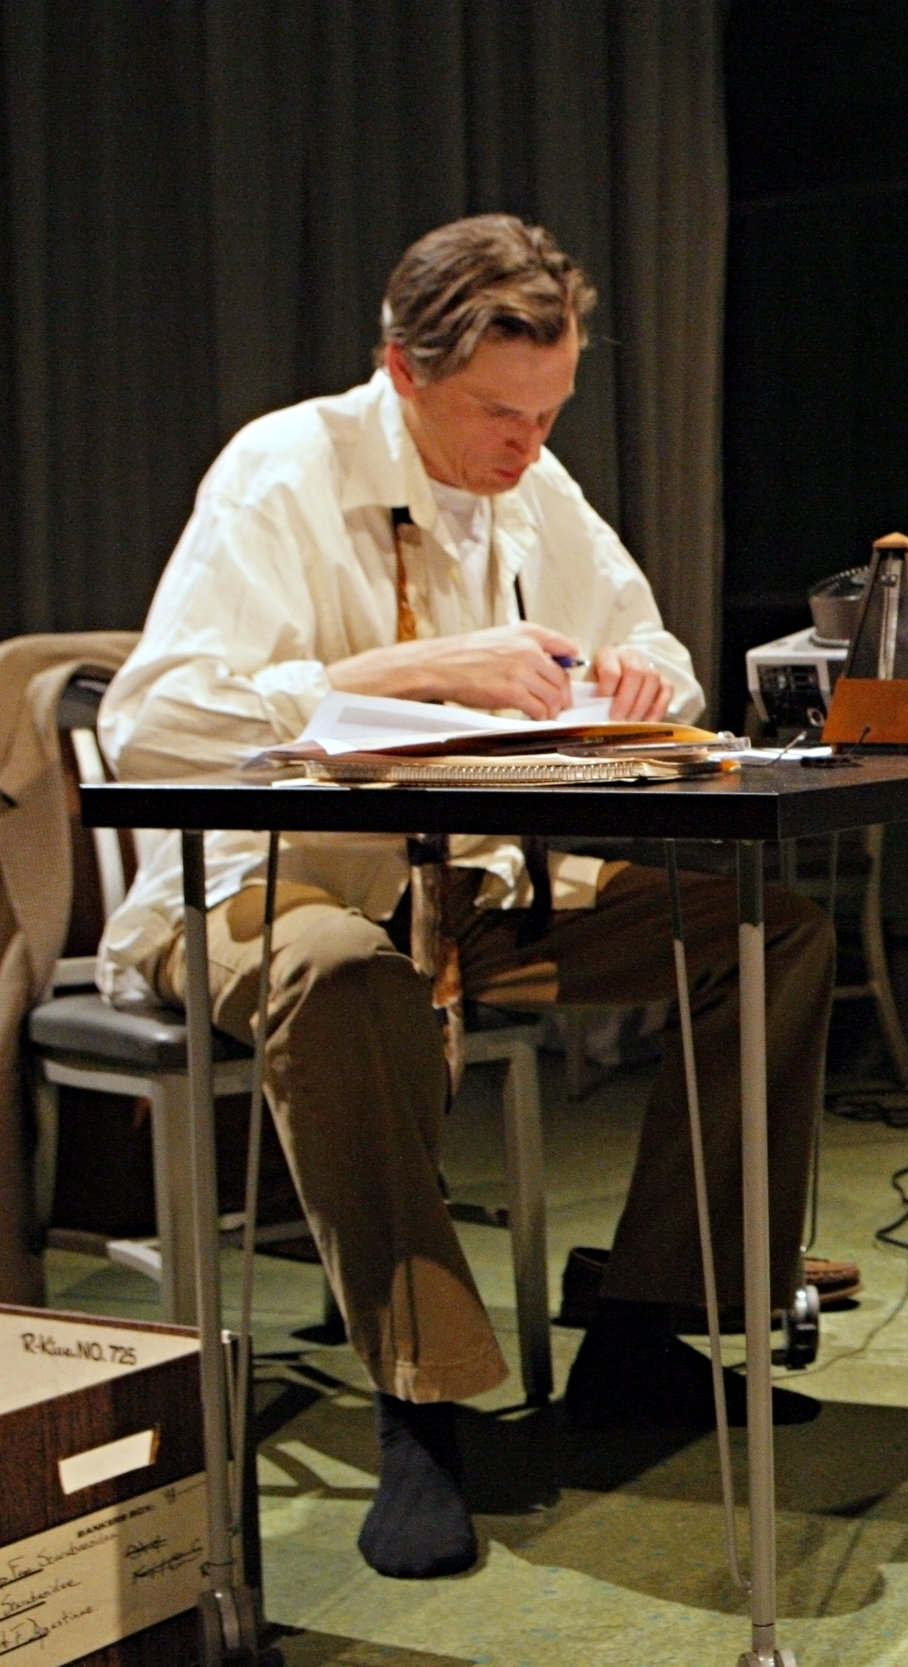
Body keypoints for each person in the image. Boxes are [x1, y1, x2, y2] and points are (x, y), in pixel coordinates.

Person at [97, 215, 839, 1582]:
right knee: (341, 973)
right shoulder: (284, 469)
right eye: (501, 413)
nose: (526, 445)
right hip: (274, 892)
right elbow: (152, 726)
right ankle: (420, 1400)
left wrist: (640, 682)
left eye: (549, 412)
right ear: (401, 367)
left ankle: (645, 1326)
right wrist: (413, 669)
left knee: (767, 934)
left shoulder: (531, 484)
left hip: (476, 888)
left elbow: (651, 643)